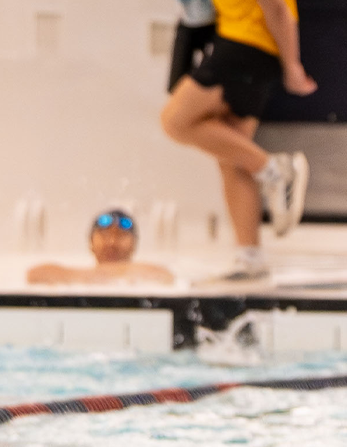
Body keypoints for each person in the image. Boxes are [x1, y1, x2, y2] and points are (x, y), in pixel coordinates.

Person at [159, 0, 313, 283]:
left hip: (246, 45)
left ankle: (276, 170)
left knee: (174, 121)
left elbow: (277, 7)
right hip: (249, 46)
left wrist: (292, 65)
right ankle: (250, 256)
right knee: (233, 158)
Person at [26, 210, 175, 286]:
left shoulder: (153, 273)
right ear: (91, 242)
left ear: (134, 245)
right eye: (104, 235)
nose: (112, 242)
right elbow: (34, 274)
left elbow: (164, 276)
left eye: (122, 235)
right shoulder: (139, 277)